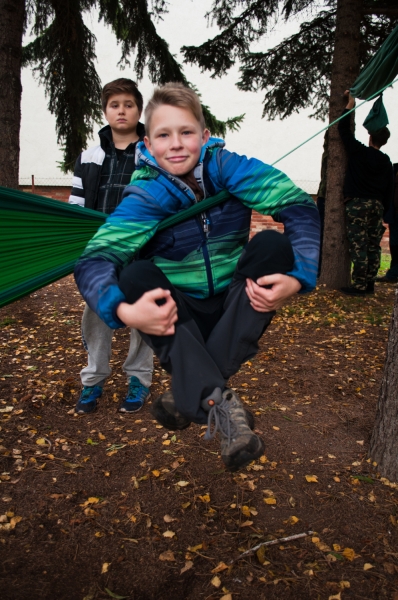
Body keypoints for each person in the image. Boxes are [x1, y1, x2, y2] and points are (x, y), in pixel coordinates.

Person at [74, 83, 320, 471]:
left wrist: (299, 277)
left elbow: (297, 203)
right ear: (149, 143)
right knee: (136, 274)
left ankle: (188, 393)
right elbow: (95, 259)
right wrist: (123, 311)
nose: (176, 144)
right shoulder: (146, 195)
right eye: (163, 135)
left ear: (204, 136)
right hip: (178, 313)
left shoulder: (229, 169)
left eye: (186, 132)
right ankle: (221, 409)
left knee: (272, 246)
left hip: (234, 302)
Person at [68, 78, 153, 415]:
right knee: (97, 315)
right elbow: (75, 207)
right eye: (115, 105)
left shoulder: (152, 153)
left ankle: (139, 379)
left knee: (143, 316)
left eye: (128, 105)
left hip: (142, 250)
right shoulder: (89, 157)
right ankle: (93, 380)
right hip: (100, 252)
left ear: (138, 110)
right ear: (105, 111)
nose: (122, 111)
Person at [338, 91, 394, 296]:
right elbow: (389, 190)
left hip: (357, 205)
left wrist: (350, 105)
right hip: (377, 206)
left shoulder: (359, 152)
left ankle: (359, 286)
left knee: (358, 244)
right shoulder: (386, 162)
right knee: (373, 245)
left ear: (370, 135)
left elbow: (343, 129)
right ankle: (370, 282)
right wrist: (384, 210)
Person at [376, 163, 398, 283]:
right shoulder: (394, 168)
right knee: (394, 245)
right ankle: (393, 274)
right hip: (394, 214)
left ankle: (393, 274)